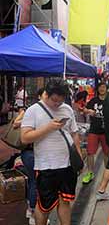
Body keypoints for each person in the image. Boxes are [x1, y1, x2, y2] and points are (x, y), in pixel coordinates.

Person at [21, 79, 81, 225]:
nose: (57, 104)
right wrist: (48, 128)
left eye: (60, 101)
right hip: (46, 166)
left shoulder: (66, 109)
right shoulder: (33, 110)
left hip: (67, 164)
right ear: (46, 94)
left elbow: (74, 133)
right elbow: (25, 138)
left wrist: (78, 156)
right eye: (54, 100)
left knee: (65, 201)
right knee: (44, 206)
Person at [82, 82, 109, 184]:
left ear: (107, 89)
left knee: (107, 153)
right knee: (90, 152)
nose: (102, 89)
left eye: (104, 87)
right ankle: (90, 172)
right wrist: (88, 111)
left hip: (107, 131)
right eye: (100, 87)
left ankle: (108, 172)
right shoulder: (94, 100)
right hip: (94, 130)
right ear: (97, 89)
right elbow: (84, 109)